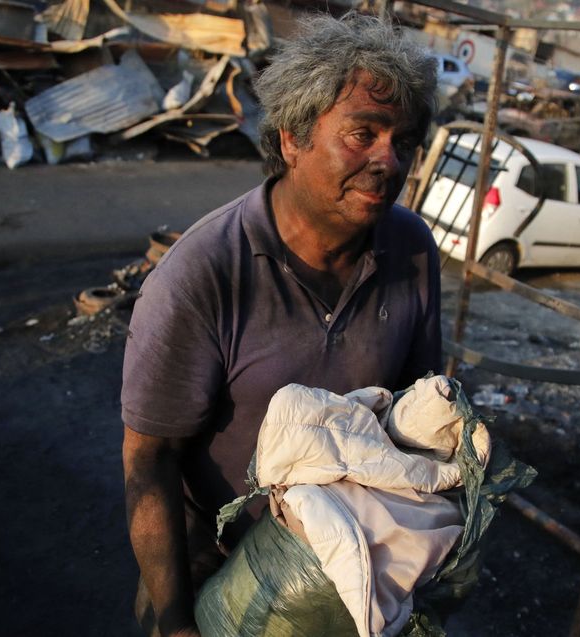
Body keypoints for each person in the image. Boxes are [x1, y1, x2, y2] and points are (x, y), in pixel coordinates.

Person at [120, 12, 442, 637]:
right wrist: (176, 617)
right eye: (363, 133)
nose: (388, 161)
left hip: (345, 574)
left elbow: (415, 408)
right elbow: (147, 460)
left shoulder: (412, 248)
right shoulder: (202, 273)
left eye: (403, 141)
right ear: (293, 138)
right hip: (214, 573)